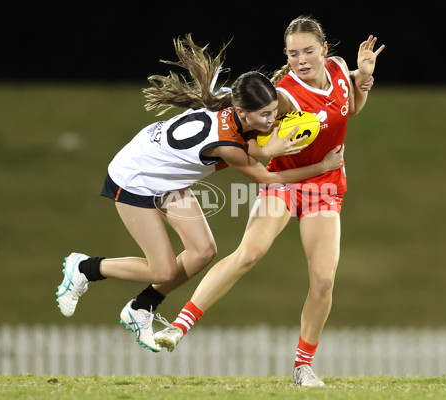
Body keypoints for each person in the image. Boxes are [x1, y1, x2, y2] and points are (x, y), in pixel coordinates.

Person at [55, 34, 344, 352]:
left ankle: (141, 308)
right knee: (162, 268)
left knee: (203, 251)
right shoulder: (228, 144)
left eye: (273, 111)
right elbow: (267, 177)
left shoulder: (232, 104)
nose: (272, 120)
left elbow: (251, 144)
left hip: (165, 176)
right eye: (265, 116)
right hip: (135, 178)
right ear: (244, 113)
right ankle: (85, 268)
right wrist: (322, 167)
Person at [153, 16, 384, 387]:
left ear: (325, 50)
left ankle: (303, 366)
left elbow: (350, 109)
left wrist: (366, 80)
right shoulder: (284, 94)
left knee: (324, 281)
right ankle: (179, 327)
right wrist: (268, 148)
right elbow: (253, 143)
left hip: (324, 186)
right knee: (249, 253)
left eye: (308, 51)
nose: (301, 60)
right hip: (283, 182)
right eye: (293, 54)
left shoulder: (340, 69)